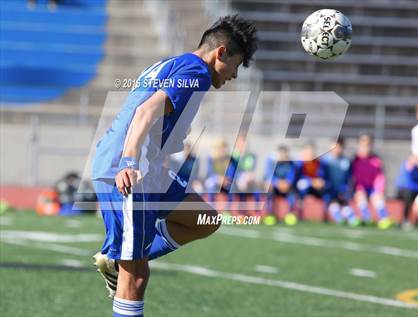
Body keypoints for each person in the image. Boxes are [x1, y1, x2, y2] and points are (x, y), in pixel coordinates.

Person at [91, 15, 258, 317]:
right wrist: (128, 162)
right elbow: (145, 111)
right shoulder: (196, 71)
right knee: (136, 277)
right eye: (237, 64)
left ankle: (119, 257)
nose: (235, 74)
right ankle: (122, 259)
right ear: (221, 52)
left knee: (205, 219)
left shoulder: (177, 64)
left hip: (146, 167)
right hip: (129, 169)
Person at [352, 133, 392, 228]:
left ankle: (384, 218)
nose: (365, 148)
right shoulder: (354, 160)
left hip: (373, 188)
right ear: (358, 145)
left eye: (368, 145)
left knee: (377, 198)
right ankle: (367, 218)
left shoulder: (376, 160)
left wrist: (379, 191)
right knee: (360, 196)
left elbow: (380, 178)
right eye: (362, 145)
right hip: (360, 189)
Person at [322, 137, 359, 226]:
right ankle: (338, 216)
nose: (336, 149)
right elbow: (322, 177)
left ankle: (350, 217)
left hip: (342, 191)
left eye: (339, 147)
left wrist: (345, 190)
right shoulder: (325, 161)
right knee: (333, 204)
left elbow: (349, 178)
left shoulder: (346, 161)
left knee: (345, 204)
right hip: (328, 191)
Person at [295, 142, 330, 221]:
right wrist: (311, 181)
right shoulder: (299, 164)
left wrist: (321, 182)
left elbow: (324, 177)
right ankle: (299, 208)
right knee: (302, 184)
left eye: (312, 152)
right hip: (305, 187)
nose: (310, 154)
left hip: (317, 188)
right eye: (308, 152)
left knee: (326, 189)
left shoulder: (320, 163)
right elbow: (297, 179)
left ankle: (325, 214)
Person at [263, 145, 297, 223]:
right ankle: (270, 214)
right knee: (269, 188)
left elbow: (292, 177)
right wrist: (277, 183)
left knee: (293, 190)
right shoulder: (271, 162)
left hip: (286, 187)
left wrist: (287, 183)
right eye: (281, 154)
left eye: (284, 154)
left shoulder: (291, 164)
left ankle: (290, 214)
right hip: (275, 186)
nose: (282, 156)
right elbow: (269, 176)